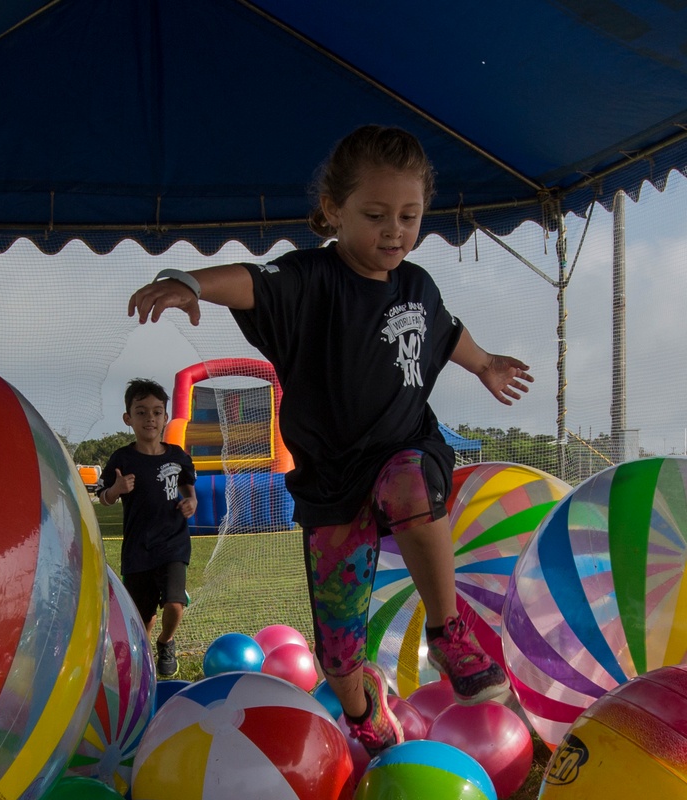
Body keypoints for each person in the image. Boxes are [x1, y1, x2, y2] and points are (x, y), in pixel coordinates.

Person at [127, 125, 532, 752]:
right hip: (330, 481)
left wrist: (485, 365)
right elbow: (254, 282)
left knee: (407, 482)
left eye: (409, 215)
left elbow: (447, 333)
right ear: (332, 212)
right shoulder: (311, 278)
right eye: (375, 215)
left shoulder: (417, 286)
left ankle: (449, 632)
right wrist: (192, 283)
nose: (394, 230)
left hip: (403, 450)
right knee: (338, 653)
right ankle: (365, 712)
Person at [99, 379, 198, 679]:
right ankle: (140, 657)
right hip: (138, 548)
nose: (150, 419)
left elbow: (189, 491)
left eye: (156, 412)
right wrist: (116, 488)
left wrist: (190, 502)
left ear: (166, 417)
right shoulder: (122, 459)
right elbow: (103, 498)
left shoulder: (178, 456)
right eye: (141, 412)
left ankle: (166, 642)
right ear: (128, 418)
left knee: (175, 603)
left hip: (173, 543)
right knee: (141, 618)